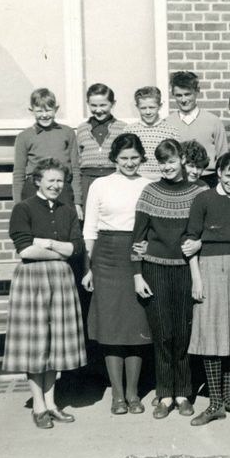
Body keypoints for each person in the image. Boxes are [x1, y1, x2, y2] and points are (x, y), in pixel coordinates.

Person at [4, 158, 86, 429]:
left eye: (60, 181)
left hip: (62, 280)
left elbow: (76, 248)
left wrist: (49, 243)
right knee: (36, 343)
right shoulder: (23, 209)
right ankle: (38, 405)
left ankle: (52, 403)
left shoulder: (68, 211)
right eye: (50, 180)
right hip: (33, 280)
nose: (55, 185)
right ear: (37, 181)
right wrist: (59, 253)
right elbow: (25, 250)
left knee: (55, 344)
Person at [132, 138, 207, 420]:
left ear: (182, 162)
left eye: (172, 161)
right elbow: (137, 237)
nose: (167, 167)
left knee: (184, 334)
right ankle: (164, 394)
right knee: (163, 333)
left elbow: (206, 230)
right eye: (162, 162)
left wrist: (199, 245)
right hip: (156, 269)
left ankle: (183, 393)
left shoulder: (198, 193)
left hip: (187, 270)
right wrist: (138, 274)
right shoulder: (149, 192)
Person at [184, 152, 230, 426]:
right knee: (211, 334)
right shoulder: (203, 199)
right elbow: (191, 239)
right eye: (229, 175)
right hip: (210, 267)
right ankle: (214, 402)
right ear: (219, 173)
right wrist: (196, 278)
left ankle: (227, 399)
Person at [81, 133, 153, 415]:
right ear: (114, 159)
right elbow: (90, 227)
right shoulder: (100, 185)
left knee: (136, 324)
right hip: (106, 256)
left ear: (142, 158)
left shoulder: (149, 185)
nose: (130, 163)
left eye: (135, 158)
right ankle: (117, 395)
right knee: (111, 326)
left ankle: (134, 394)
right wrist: (88, 267)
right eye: (124, 158)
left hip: (136, 255)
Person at [13, 88, 83, 220]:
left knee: (64, 228)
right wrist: (18, 205)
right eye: (39, 111)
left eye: (48, 110)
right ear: (31, 111)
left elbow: (75, 168)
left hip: (62, 189)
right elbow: (18, 173)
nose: (44, 115)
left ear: (56, 109)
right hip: (35, 189)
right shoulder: (24, 137)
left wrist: (78, 202)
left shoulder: (67, 133)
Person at [165, 71, 228, 187]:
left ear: (197, 91)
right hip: (177, 181)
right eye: (179, 95)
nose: (183, 100)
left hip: (209, 180)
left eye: (187, 94)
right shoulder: (167, 123)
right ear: (173, 94)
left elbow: (223, 157)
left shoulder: (213, 121)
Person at [76, 83, 126, 209]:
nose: (98, 110)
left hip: (114, 179)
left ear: (113, 104)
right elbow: (77, 160)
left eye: (103, 105)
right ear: (88, 104)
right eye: (93, 105)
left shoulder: (123, 128)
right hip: (87, 181)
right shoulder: (82, 128)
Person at [124, 86, 179, 181]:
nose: (148, 112)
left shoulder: (171, 131)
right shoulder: (129, 131)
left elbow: (177, 160)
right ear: (137, 107)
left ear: (160, 106)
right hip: (135, 180)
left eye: (152, 107)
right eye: (143, 108)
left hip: (163, 180)